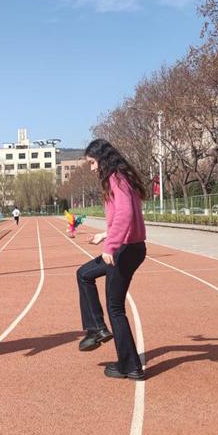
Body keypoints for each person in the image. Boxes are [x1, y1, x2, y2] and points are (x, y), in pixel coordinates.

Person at [75, 138, 148, 380]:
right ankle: (96, 328)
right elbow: (125, 218)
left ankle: (131, 366)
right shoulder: (122, 178)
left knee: (115, 308)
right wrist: (105, 234)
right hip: (130, 247)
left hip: (125, 250)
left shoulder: (116, 178)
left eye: (92, 162)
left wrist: (111, 245)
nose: (92, 168)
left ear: (103, 159)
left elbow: (126, 214)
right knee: (84, 274)